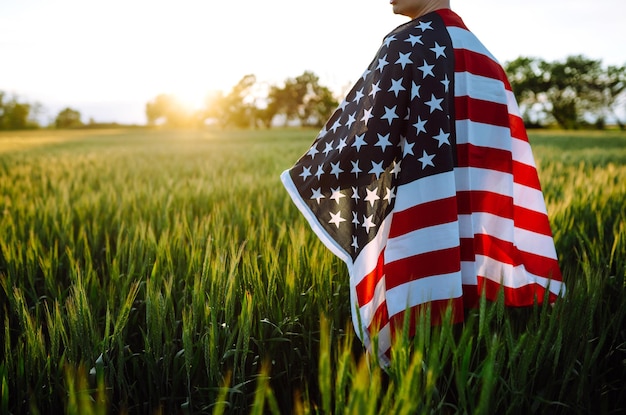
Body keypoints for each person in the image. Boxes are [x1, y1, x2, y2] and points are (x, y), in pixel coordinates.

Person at [281, 0, 565, 366]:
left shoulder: (405, 44)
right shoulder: (487, 59)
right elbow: (500, 163)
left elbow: (366, 143)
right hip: (475, 237)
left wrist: (308, 174)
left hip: (419, 229)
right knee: (465, 349)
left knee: (420, 351)